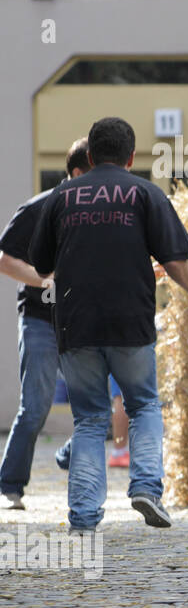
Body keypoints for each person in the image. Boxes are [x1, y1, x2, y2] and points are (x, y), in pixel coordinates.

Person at [29, 117, 188, 532]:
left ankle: (82, 517)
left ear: (90, 156)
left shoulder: (61, 197)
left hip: (75, 326)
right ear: (132, 157)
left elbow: (42, 265)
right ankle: (147, 488)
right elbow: (174, 261)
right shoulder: (145, 193)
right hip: (130, 324)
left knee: (90, 420)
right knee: (144, 405)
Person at [0, 138, 89, 509]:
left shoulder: (97, 215)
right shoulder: (38, 209)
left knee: (94, 408)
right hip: (39, 319)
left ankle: (71, 462)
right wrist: (45, 280)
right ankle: (9, 485)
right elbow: (5, 259)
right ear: (79, 173)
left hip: (82, 322)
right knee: (36, 407)